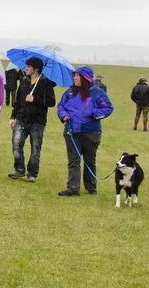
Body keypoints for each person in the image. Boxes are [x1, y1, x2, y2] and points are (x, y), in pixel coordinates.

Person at [57, 66, 113, 196]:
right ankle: (73, 188)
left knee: (89, 160)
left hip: (91, 132)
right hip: (72, 131)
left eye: (77, 76)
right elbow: (61, 105)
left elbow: (108, 108)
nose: (74, 78)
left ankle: (91, 187)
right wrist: (63, 115)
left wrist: (94, 113)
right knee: (73, 161)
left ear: (85, 78)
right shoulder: (70, 92)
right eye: (74, 75)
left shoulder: (97, 92)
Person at [7, 57, 56, 183]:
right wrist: (13, 117)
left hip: (37, 121)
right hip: (22, 118)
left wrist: (35, 99)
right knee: (16, 143)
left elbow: (51, 102)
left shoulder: (45, 82)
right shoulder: (24, 81)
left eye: (28, 66)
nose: (26, 68)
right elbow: (17, 101)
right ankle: (19, 170)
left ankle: (32, 173)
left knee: (35, 148)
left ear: (36, 69)